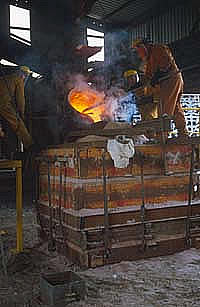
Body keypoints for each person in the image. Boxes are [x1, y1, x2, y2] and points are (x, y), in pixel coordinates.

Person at [131, 38, 188, 139]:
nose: (138, 54)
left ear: (143, 46)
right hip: (168, 82)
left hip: (170, 79)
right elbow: (147, 77)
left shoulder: (158, 49)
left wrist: (157, 75)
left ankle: (162, 136)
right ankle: (183, 134)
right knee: (175, 108)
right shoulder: (149, 60)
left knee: (164, 108)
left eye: (138, 50)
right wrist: (138, 85)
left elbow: (166, 65)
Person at [0, 65, 34, 154]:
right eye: (26, 75)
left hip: (4, 102)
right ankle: (30, 145)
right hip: (3, 104)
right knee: (18, 123)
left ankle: (6, 150)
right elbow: (20, 99)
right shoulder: (18, 79)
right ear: (24, 74)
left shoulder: (6, 78)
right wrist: (21, 114)